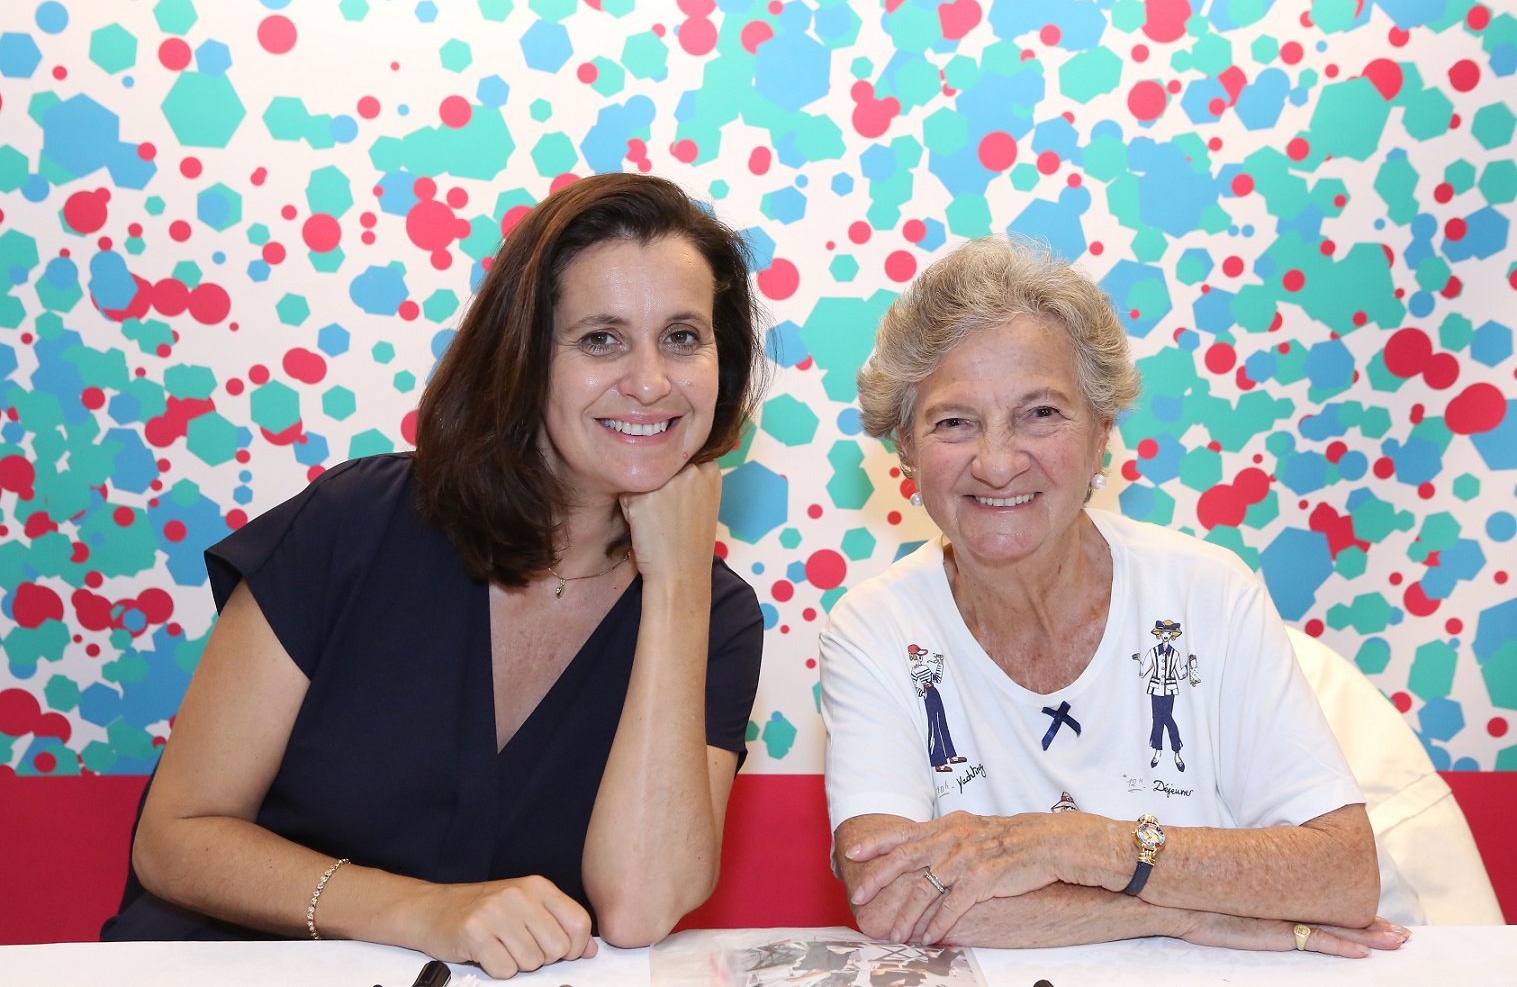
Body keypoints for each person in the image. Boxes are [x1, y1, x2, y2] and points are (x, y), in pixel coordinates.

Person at [102, 173, 768, 979]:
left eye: (682, 337)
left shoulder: (715, 616)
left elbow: (638, 906)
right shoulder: (359, 522)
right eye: (600, 338)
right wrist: (421, 911)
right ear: (524, 358)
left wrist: (676, 585)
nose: (652, 381)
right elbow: (178, 836)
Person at [819, 235, 1412, 958]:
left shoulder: (1206, 592)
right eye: (953, 422)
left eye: (1040, 413)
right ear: (906, 448)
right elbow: (887, 901)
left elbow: (1342, 878)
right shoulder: (874, 628)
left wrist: (1083, 847)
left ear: (1102, 434)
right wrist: (1186, 914)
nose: (998, 461)